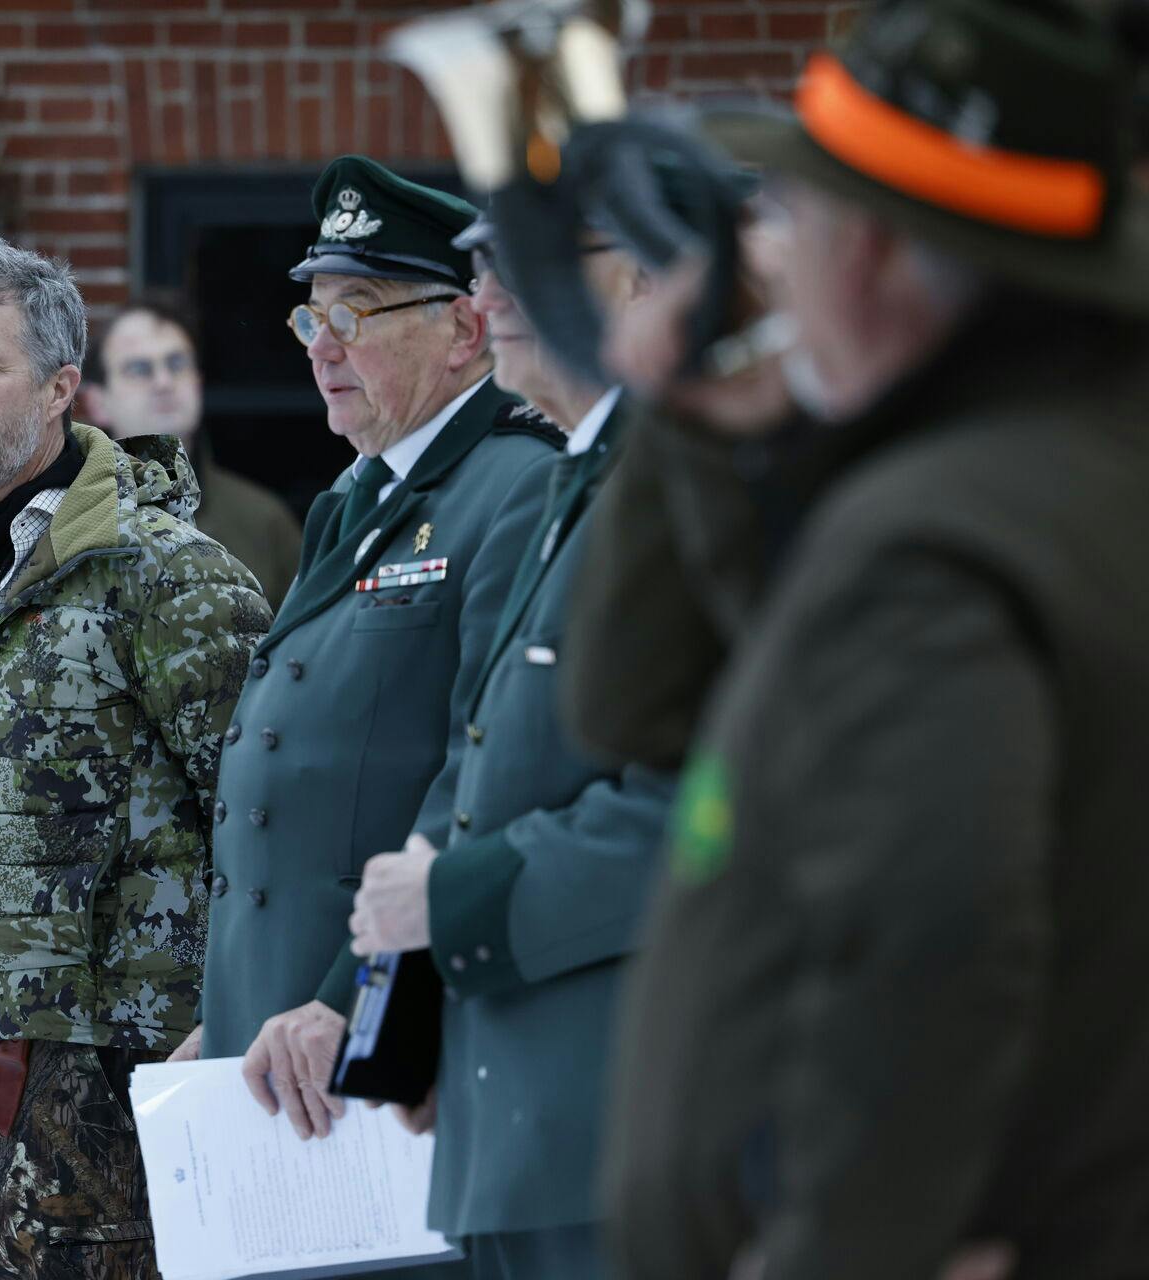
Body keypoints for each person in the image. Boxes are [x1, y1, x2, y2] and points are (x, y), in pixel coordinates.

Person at [564, 1, 1149, 1276]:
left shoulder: (932, 540)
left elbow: (931, 942)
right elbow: (646, 707)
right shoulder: (1029, 475)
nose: (769, 257)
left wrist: (844, 1249)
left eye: (792, 221)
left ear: (873, 255)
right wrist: (708, 430)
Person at [0, 235, 269, 1280]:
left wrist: (235, 1016)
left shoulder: (166, 575)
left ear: (64, 385)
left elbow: (269, 815)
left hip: (96, 1081)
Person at [189, 155, 560, 1169]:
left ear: (464, 329)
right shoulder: (355, 501)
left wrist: (353, 998)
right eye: (312, 318)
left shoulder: (513, 487)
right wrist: (227, 1015)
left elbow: (480, 774)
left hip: (377, 1044)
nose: (323, 348)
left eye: (357, 313)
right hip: (274, 1042)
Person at [345, 213, 674, 1279]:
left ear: (638, 276)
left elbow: (701, 808)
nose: (489, 300)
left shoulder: (672, 490)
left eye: (530, 265)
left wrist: (458, 902)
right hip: (522, 1120)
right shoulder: (582, 479)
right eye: (485, 272)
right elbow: (507, 772)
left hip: (619, 1123)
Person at [79, 293, 305, 607]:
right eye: (140, 369)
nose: (163, 382)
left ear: (198, 381)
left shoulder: (264, 522)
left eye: (176, 364)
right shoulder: (67, 518)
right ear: (96, 401)